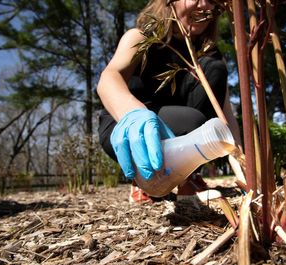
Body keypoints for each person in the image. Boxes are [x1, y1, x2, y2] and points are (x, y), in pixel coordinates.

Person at [97, 0, 241, 203]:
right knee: (193, 122)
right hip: (125, 125)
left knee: (212, 73)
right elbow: (109, 78)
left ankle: (187, 178)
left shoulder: (210, 55)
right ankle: (144, 180)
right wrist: (135, 114)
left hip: (186, 126)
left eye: (213, 1)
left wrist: (242, 163)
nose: (206, 7)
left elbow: (225, 114)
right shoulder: (141, 37)